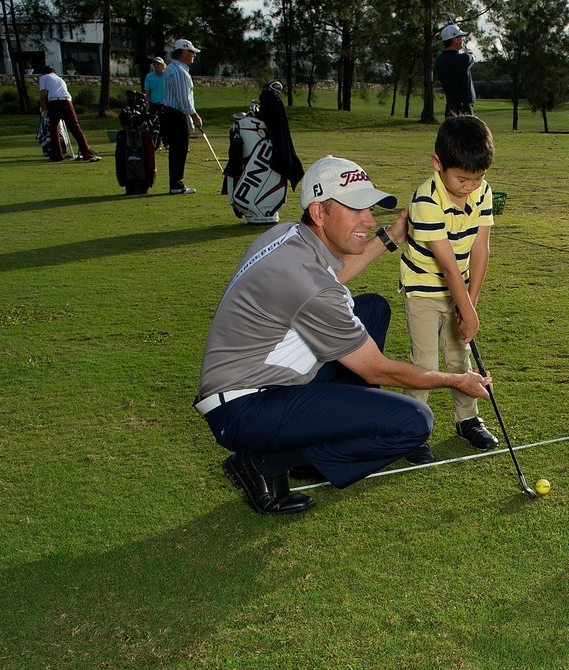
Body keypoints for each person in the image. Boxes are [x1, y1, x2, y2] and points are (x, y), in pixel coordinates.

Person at [195, 155, 491, 515]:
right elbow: (376, 370)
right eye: (355, 210)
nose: (368, 220)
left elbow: (330, 278)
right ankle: (263, 462)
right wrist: (456, 379)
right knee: (412, 423)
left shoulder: (288, 235)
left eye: (369, 209)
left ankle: (309, 444)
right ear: (319, 213)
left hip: (251, 386)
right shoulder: (308, 282)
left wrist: (391, 236)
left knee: (371, 309)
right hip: (244, 409)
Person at [398, 115, 497, 465]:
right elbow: (446, 264)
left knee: (460, 358)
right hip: (423, 289)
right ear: (437, 163)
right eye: (462, 179)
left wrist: (469, 303)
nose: (470, 187)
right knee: (424, 362)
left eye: (478, 178)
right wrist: (466, 310)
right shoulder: (425, 201)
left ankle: (466, 419)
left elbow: (479, 249)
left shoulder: (483, 192)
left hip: (461, 288)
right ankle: (413, 431)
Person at [161, 39, 203, 195]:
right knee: (180, 149)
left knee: (177, 150)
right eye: (192, 52)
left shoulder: (173, 69)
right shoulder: (179, 71)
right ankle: (176, 184)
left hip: (171, 113)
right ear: (184, 53)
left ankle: (175, 183)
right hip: (177, 114)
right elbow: (183, 99)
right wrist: (195, 116)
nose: (194, 56)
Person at [37, 67, 99, 162]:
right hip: (67, 102)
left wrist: (43, 109)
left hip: (54, 103)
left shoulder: (43, 78)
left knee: (54, 129)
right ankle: (87, 154)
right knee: (75, 128)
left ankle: (57, 155)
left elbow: (42, 95)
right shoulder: (59, 79)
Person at [435, 23, 476, 117]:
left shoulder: (439, 60)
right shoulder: (463, 58)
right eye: (460, 37)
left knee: (450, 131)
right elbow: (472, 57)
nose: (462, 39)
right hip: (464, 108)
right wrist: (469, 52)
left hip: (450, 106)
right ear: (454, 39)